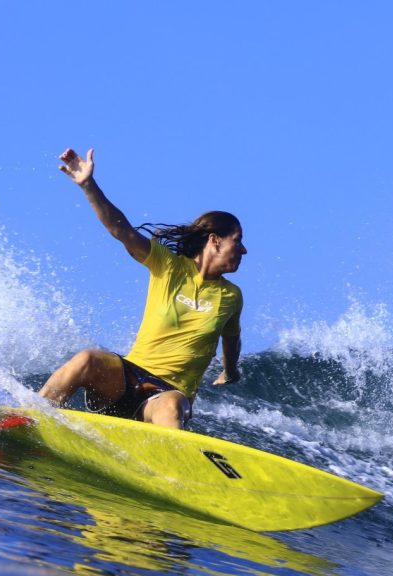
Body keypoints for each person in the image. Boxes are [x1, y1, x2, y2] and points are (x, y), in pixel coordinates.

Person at [39, 148, 246, 429]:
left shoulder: (231, 296)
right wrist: (88, 185)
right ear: (215, 240)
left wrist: (230, 372)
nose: (244, 250)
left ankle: (170, 467)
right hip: (126, 379)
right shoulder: (168, 265)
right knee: (87, 358)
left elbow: (231, 341)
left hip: (166, 396)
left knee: (173, 404)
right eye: (238, 240)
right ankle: (33, 416)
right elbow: (121, 230)